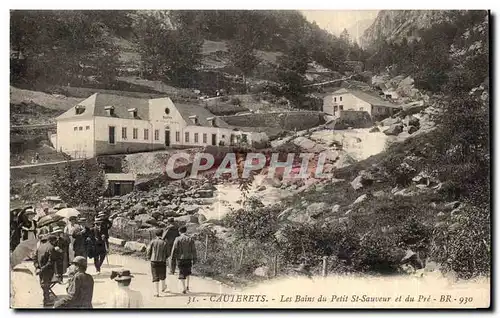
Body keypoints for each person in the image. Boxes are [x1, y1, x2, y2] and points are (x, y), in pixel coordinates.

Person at [170, 225, 197, 294]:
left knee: (181, 273)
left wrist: (172, 258)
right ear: (186, 231)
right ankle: (187, 286)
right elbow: (193, 250)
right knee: (188, 272)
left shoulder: (177, 239)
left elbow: (174, 249)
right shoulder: (190, 239)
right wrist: (194, 259)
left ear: (179, 232)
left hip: (180, 259)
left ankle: (183, 288)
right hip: (188, 258)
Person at [33, 234, 57, 307]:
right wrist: (42, 269)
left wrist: (37, 267)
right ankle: (46, 301)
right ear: (52, 241)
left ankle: (46, 299)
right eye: (55, 241)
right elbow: (50, 262)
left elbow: (34, 258)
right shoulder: (51, 247)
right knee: (46, 284)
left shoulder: (40, 247)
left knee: (43, 284)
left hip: (40, 269)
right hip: (47, 270)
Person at [147, 229, 169, 297]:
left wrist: (149, 256)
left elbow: (148, 250)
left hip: (153, 260)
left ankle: (157, 292)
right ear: (162, 234)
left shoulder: (152, 241)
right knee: (162, 274)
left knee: (155, 276)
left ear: (155, 234)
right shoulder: (164, 242)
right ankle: (163, 287)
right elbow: (168, 253)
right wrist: (165, 257)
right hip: (162, 260)